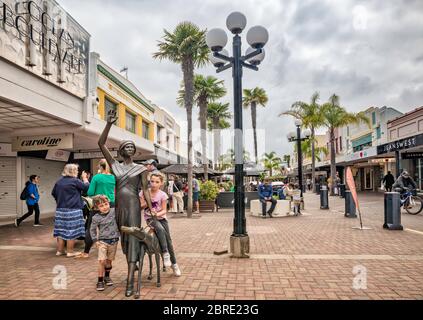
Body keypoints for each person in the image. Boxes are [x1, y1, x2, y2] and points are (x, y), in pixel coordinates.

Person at [98, 109, 152, 297]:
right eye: (126, 147)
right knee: (124, 241)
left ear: (134, 151)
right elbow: (101, 143)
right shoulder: (115, 166)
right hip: (120, 207)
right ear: (121, 151)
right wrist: (109, 124)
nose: (129, 149)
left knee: (133, 236)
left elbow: (145, 190)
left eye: (131, 147)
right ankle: (133, 259)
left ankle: (130, 280)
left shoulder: (141, 168)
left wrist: (152, 210)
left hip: (134, 207)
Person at [140, 173, 181, 277]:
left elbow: (164, 210)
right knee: (160, 229)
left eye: (157, 182)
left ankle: (175, 265)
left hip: (161, 218)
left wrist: (157, 214)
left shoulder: (162, 195)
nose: (154, 184)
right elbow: (140, 207)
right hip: (150, 219)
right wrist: (146, 201)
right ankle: (165, 252)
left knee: (169, 241)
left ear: (161, 183)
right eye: (152, 181)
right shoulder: (144, 192)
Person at [78, 159, 116, 259]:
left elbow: (90, 192)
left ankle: (86, 252)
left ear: (100, 167)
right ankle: (108, 251)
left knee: (91, 228)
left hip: (98, 204)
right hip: (110, 204)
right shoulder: (113, 177)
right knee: (108, 228)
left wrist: (85, 179)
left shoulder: (97, 177)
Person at [52, 164, 89, 257]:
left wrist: (60, 200)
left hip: (60, 210)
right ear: (73, 171)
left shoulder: (59, 182)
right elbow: (86, 188)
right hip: (73, 210)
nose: (77, 172)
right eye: (76, 170)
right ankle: (70, 251)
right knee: (71, 231)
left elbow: (53, 193)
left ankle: (60, 251)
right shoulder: (75, 181)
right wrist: (85, 178)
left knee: (61, 231)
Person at [89, 195, 120, 291]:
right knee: (102, 261)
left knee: (109, 262)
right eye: (101, 206)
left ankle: (107, 276)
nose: (105, 207)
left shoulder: (114, 211)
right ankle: (100, 280)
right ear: (96, 208)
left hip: (114, 241)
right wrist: (95, 241)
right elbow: (92, 230)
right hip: (102, 241)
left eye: (106, 204)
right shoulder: (96, 218)